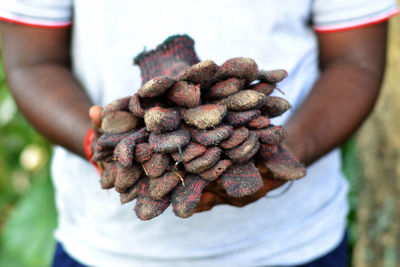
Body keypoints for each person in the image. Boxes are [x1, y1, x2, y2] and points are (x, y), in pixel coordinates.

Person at [0, 1, 398, 266]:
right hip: (107, 249)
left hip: (294, 244)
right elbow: (33, 62)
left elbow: (355, 61)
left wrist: (282, 154)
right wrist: (100, 143)